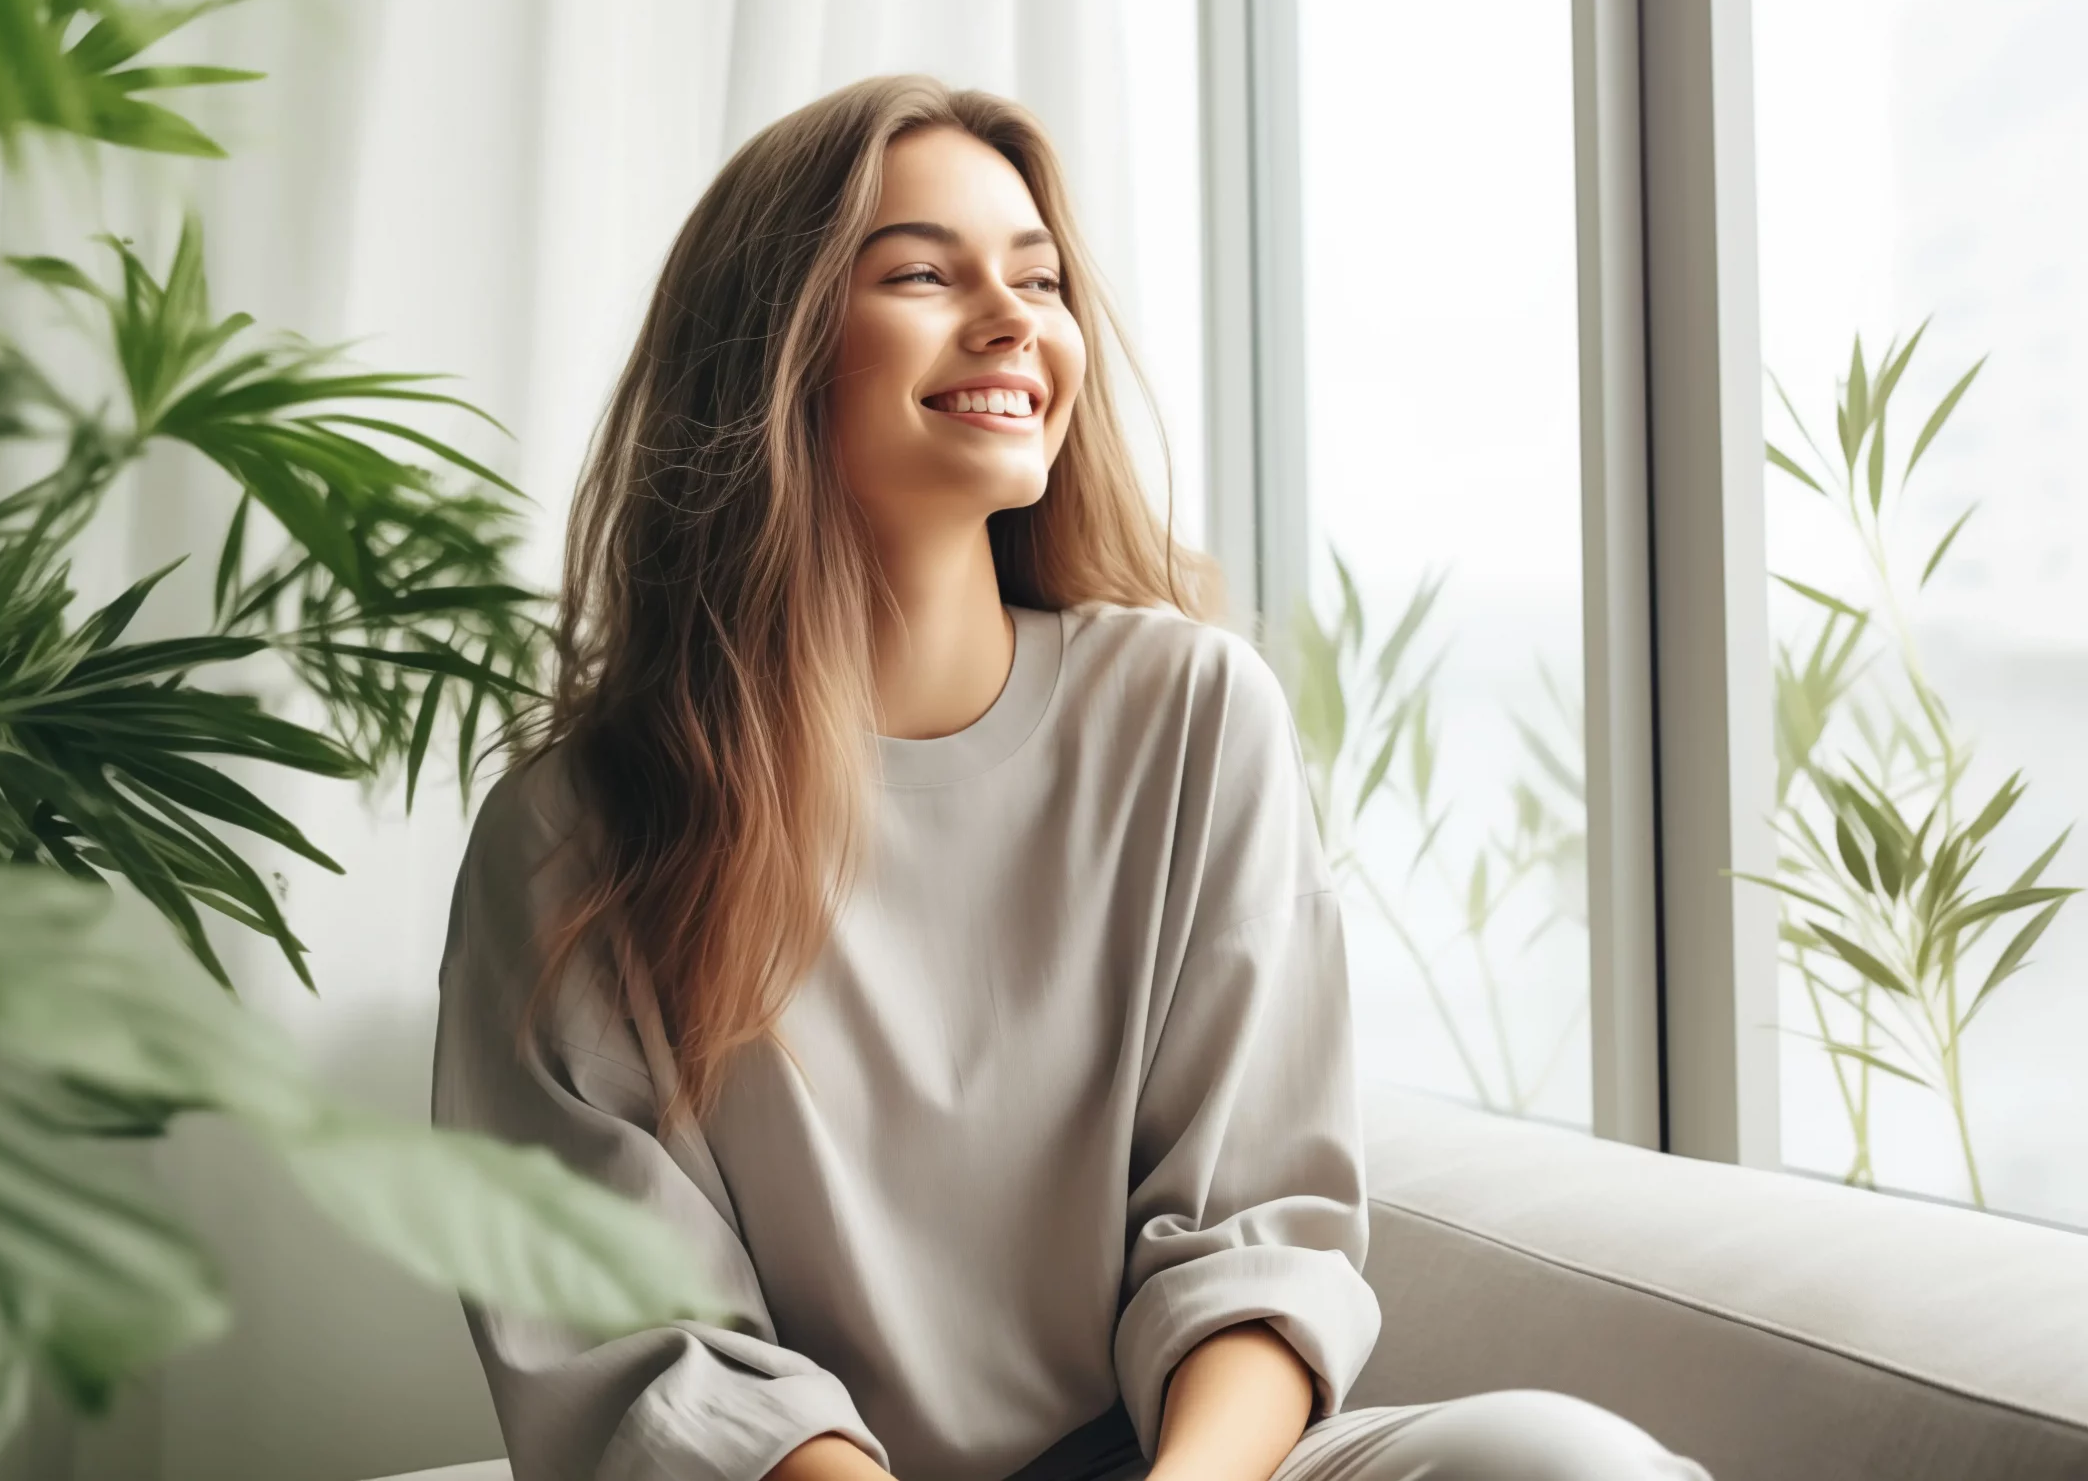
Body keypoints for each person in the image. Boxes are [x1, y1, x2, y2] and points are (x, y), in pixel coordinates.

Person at [430, 75, 1709, 1481]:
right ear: (768, 350)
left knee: (1569, 1461)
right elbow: (650, 1355)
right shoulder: (572, 834)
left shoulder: (1191, 714)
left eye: (1038, 279)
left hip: (1182, 1463)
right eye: (924, 274)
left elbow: (1254, 1233)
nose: (1013, 319)